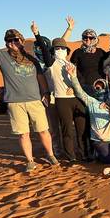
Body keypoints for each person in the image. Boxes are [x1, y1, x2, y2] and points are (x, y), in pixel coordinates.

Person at [0, 18, 59, 172]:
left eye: (15, 39)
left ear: (21, 41)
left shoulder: (31, 59)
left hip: (35, 100)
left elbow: (40, 77)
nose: (12, 43)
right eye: (9, 40)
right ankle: (30, 161)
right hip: (15, 103)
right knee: (23, 134)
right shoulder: (2, 57)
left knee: (43, 130)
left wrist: (46, 92)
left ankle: (50, 154)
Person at [33, 24, 87, 163]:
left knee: (81, 129)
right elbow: (45, 50)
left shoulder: (71, 64)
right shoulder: (51, 65)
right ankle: (71, 156)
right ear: (53, 51)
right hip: (61, 100)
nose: (60, 50)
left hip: (77, 99)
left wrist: (75, 88)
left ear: (67, 50)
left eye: (63, 48)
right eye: (57, 48)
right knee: (67, 130)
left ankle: (85, 153)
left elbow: (81, 81)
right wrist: (37, 34)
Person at [66, 65, 110, 163]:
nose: (100, 89)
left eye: (102, 87)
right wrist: (73, 76)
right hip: (100, 140)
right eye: (97, 87)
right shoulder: (91, 102)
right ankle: (100, 153)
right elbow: (79, 92)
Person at [69, 28, 106, 95]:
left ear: (95, 39)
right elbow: (72, 69)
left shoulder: (101, 52)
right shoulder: (77, 52)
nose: (88, 39)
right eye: (85, 37)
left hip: (100, 87)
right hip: (83, 88)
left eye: (91, 38)